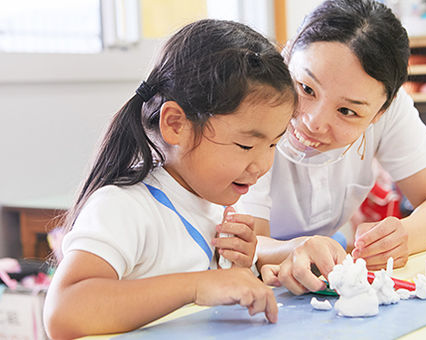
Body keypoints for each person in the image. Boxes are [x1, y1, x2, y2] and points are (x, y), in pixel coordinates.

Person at [43, 19, 297, 339]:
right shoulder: (124, 206)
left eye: (273, 144)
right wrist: (198, 286)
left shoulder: (212, 201)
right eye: (246, 145)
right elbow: (64, 311)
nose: (262, 164)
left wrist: (239, 267)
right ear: (176, 124)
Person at [238, 0, 426, 295]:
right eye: (306, 88)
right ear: (288, 54)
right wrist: (296, 248)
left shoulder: (388, 107)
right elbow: (247, 242)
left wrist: (402, 236)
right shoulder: (252, 99)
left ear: (380, 113)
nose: (313, 122)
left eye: (347, 111)